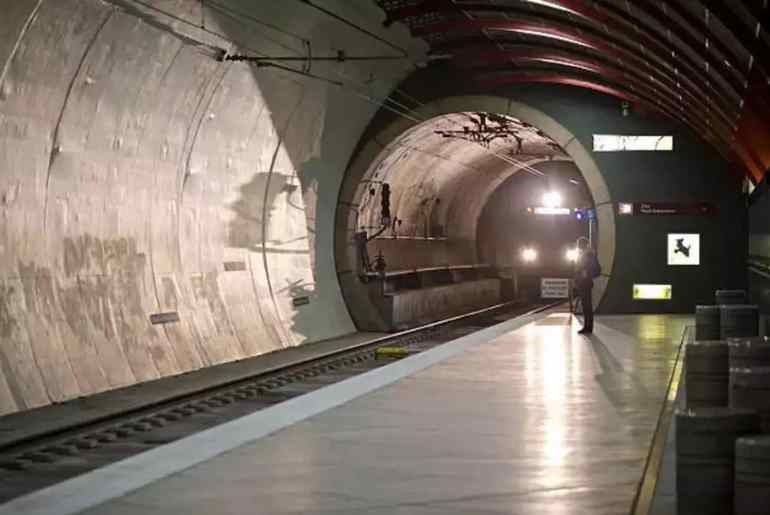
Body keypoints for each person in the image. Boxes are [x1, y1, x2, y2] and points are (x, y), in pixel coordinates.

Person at [573, 237, 600, 334]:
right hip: (582, 282)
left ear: (583, 244)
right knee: (585, 305)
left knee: (587, 305)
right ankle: (587, 326)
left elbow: (591, 268)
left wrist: (586, 273)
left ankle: (588, 327)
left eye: (579, 243)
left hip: (585, 283)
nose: (578, 245)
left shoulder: (588, 254)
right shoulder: (583, 254)